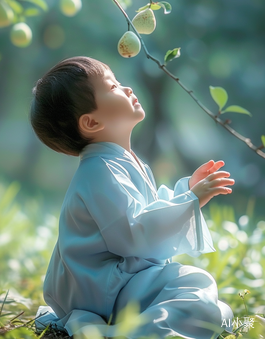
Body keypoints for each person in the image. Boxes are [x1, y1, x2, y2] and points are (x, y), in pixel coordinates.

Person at [31, 56, 235, 339]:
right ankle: (116, 333)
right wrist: (189, 200)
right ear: (91, 122)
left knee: (221, 313)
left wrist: (187, 190)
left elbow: (143, 213)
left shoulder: (119, 162)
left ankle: (107, 326)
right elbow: (134, 234)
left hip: (124, 282)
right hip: (105, 289)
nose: (126, 88)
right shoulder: (100, 170)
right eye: (113, 86)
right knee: (196, 284)